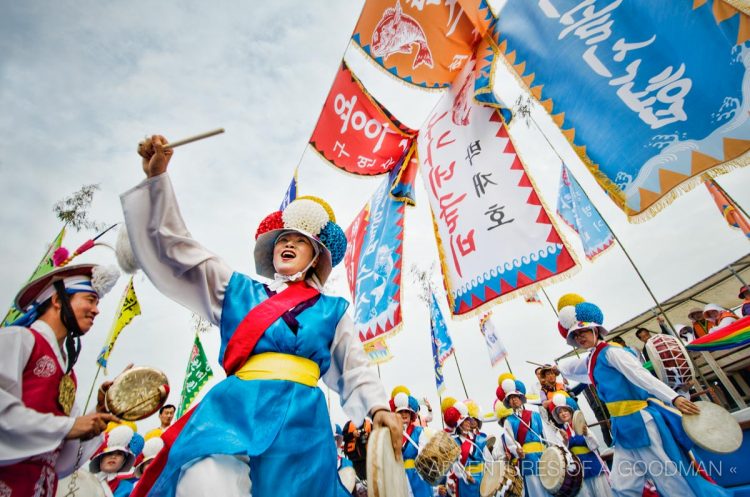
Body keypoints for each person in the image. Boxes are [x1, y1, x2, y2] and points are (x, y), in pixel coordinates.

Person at [122, 135, 399, 497]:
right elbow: (179, 251)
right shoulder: (237, 290)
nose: (287, 243)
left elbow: (354, 368)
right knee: (205, 480)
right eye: (283, 238)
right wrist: (157, 181)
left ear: (316, 257)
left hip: (301, 420)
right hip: (234, 408)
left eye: (299, 241)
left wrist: (378, 407)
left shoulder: (332, 311)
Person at [555, 297, 729, 496]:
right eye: (575, 336)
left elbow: (641, 375)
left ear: (595, 330)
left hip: (640, 422)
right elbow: (572, 369)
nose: (579, 338)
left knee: (668, 479)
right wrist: (556, 368)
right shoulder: (594, 358)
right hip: (622, 428)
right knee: (622, 485)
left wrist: (674, 398)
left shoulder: (613, 353)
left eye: (582, 332)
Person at [0, 263, 120, 496]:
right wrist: (69, 426)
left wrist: (97, 415)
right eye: (90, 300)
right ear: (57, 300)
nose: (96, 310)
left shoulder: (68, 374)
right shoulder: (18, 339)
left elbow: (63, 462)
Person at [548, 393, 613, 497]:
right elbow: (562, 457)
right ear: (558, 416)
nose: (563, 413)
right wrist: (565, 441)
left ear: (570, 412)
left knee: (602, 493)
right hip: (578, 471)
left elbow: (595, 445)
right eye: (560, 412)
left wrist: (587, 434)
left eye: (565, 410)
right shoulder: (560, 433)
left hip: (592, 463)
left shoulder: (582, 426)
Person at [391, 391, 433, 497]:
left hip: (418, 476)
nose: (404, 414)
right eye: (401, 412)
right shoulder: (391, 434)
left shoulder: (419, 431)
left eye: (407, 411)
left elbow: (423, 454)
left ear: (411, 414)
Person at [89, 425, 141, 497]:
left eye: (119, 454)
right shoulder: (85, 480)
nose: (113, 457)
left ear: (124, 461)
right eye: (109, 453)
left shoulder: (128, 488)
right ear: (100, 458)